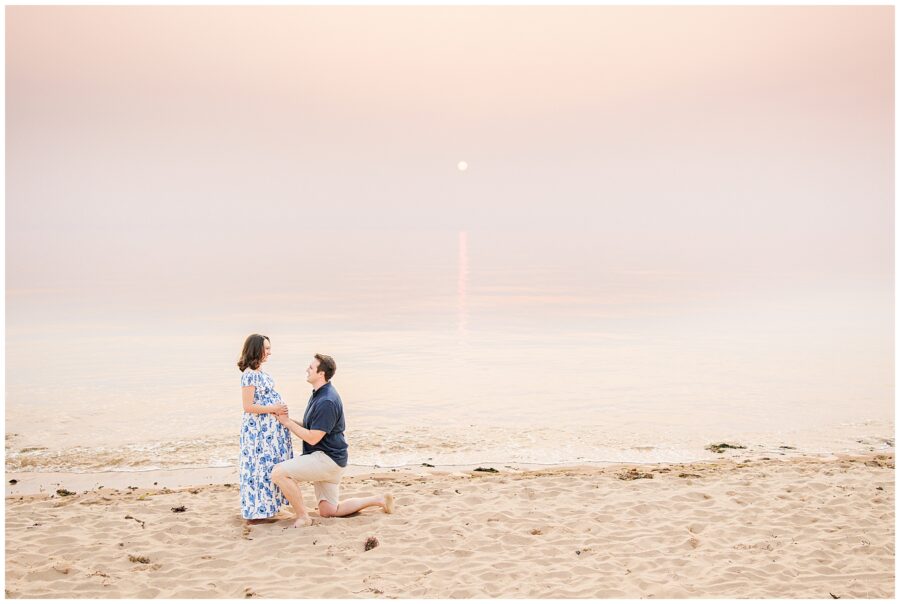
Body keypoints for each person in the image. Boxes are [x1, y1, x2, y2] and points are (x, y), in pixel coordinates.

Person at [272, 353, 394, 527]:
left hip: (327, 460)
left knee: (278, 473)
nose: (307, 369)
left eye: (311, 367)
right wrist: (286, 420)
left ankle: (303, 517)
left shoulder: (327, 401)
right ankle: (379, 499)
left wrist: (287, 423)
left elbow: (313, 438)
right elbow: (311, 427)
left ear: (321, 373)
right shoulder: (319, 394)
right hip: (331, 459)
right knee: (329, 511)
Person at [237, 334, 293, 523]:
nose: (269, 352)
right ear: (256, 349)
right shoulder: (249, 375)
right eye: (266, 348)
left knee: (269, 466)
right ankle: (257, 512)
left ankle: (270, 508)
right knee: (258, 468)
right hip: (258, 432)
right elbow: (248, 406)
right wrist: (274, 409)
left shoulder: (260, 373)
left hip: (268, 431)